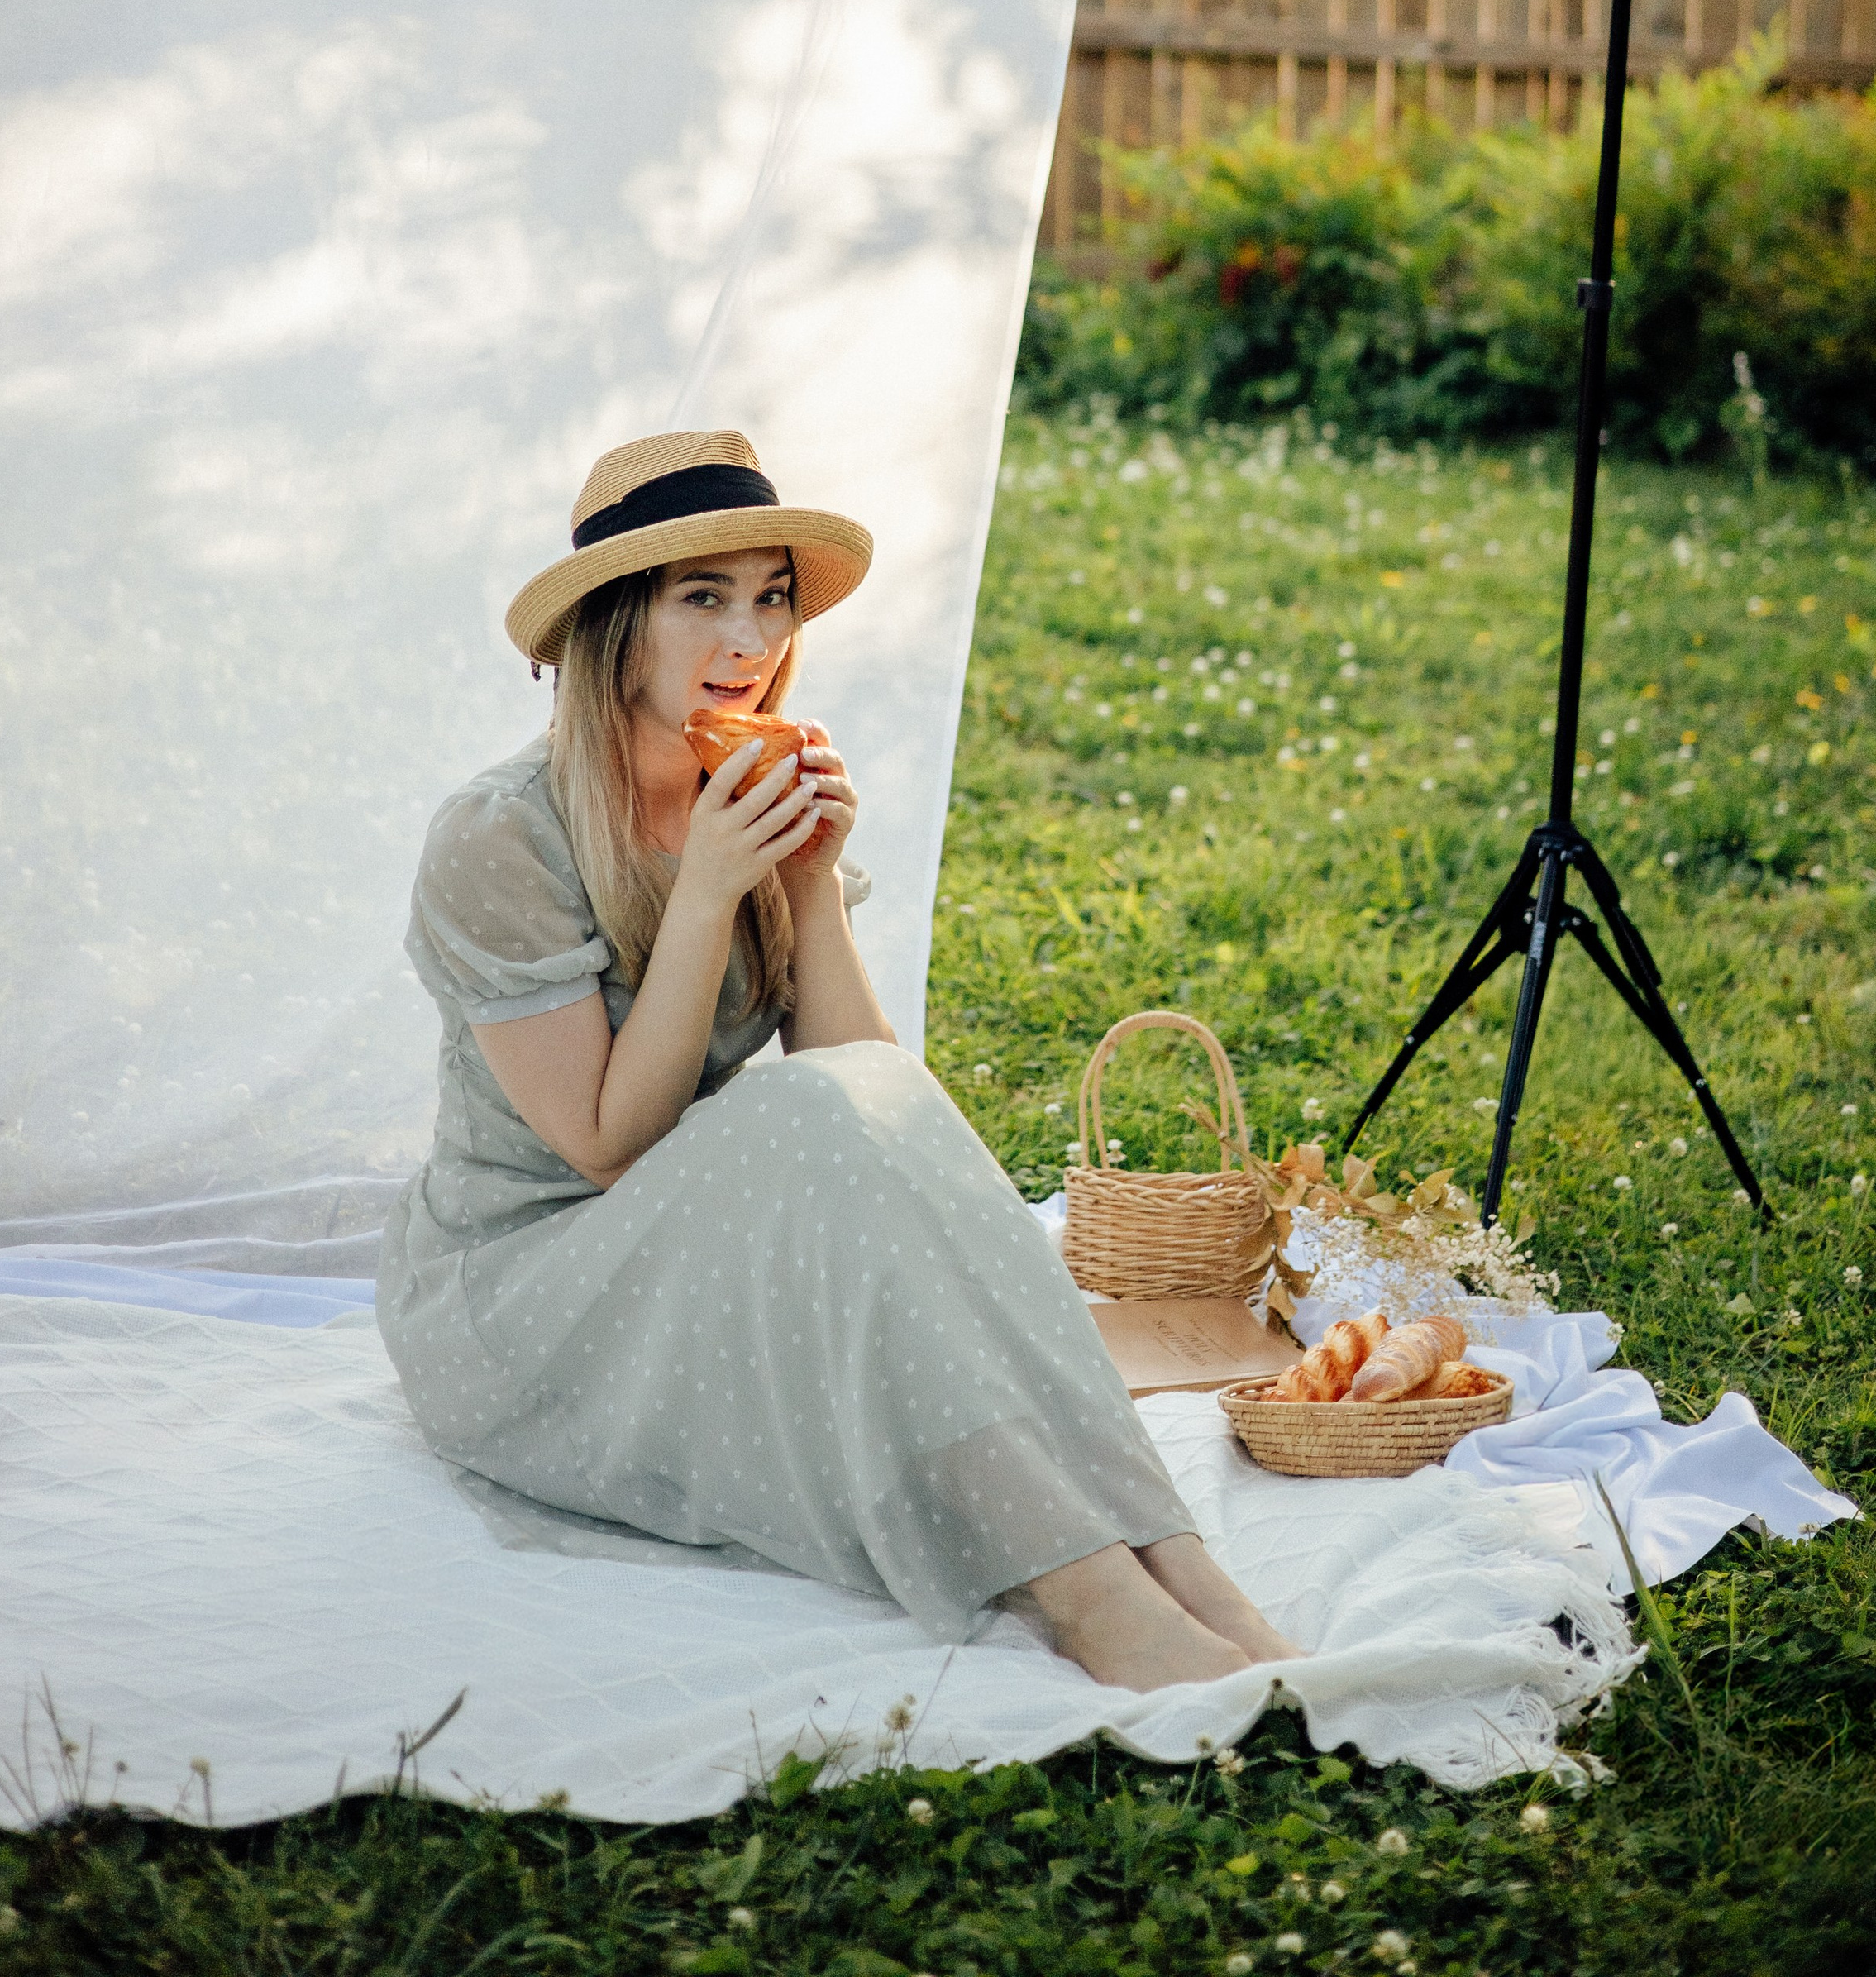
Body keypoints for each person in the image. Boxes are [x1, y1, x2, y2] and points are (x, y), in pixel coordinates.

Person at [379, 429, 1300, 1691]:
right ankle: (1088, 1598)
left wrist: (805, 889)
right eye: (703, 599)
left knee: (857, 1104)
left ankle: (1174, 1558)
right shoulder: (499, 841)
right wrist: (706, 894)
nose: (749, 644)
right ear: (612, 626)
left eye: (771, 599)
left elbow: (869, 1091)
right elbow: (602, 1151)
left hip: (671, 1252)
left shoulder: (749, 784)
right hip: (522, 1300)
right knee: (799, 1124)